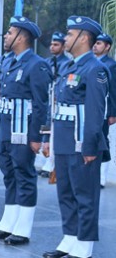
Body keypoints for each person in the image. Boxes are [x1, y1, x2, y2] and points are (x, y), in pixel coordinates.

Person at [43, 16, 108, 258]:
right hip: (64, 141)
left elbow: (95, 111)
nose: (65, 38)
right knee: (66, 193)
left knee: (85, 195)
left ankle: (84, 248)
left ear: (83, 37)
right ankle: (70, 239)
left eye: (70, 34)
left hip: (83, 144)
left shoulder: (95, 68)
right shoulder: (70, 68)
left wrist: (90, 146)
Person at [0, 16, 50, 245]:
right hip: (5, 129)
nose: (6, 36)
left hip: (23, 131)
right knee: (9, 176)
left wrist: (37, 137)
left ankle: (23, 228)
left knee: (25, 176)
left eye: (10, 33)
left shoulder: (36, 64)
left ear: (22, 37)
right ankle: (8, 223)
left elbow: (42, 104)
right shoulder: (7, 61)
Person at [39, 31, 71, 178]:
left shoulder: (68, 64)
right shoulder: (47, 62)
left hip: (59, 102)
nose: (52, 47)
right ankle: (48, 163)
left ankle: (53, 166)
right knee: (47, 131)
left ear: (64, 47)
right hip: (47, 100)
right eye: (51, 44)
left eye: (56, 44)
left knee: (56, 134)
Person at [93, 33, 115, 187]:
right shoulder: (91, 62)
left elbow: (113, 90)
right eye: (95, 42)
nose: (95, 45)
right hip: (91, 109)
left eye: (99, 43)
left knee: (103, 141)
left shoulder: (111, 65)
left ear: (107, 47)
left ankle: (101, 177)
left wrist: (113, 112)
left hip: (104, 110)